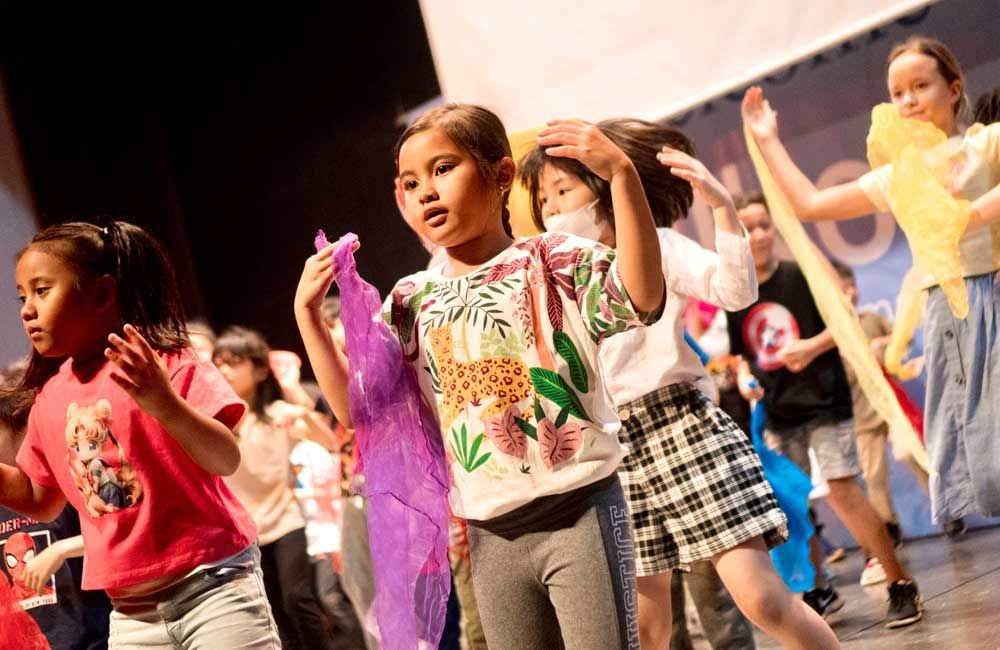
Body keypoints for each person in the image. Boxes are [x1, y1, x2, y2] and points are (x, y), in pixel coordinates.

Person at [297, 103, 666, 649]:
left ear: (500, 175)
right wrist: (308, 317)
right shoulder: (410, 301)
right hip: (490, 535)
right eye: (410, 182)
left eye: (443, 169)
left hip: (581, 509)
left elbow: (641, 296)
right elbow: (358, 408)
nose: (426, 191)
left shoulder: (553, 258)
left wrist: (622, 177)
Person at [519, 118, 836, 649]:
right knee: (645, 629)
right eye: (544, 200)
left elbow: (734, 290)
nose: (552, 209)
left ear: (602, 186)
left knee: (762, 601)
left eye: (563, 190)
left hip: (683, 428)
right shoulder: (556, 276)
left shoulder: (659, 247)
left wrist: (721, 208)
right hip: (615, 455)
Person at [742, 36, 1000, 540]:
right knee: (983, 454)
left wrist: (966, 215)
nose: (907, 100)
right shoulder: (897, 177)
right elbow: (812, 204)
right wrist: (768, 138)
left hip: (993, 290)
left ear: (953, 88)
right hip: (948, 312)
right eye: (897, 92)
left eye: (920, 86)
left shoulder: (985, 144)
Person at [5, 220, 278, 648]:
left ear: (102, 293)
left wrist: (162, 400)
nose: (26, 309)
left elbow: (225, 459)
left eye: (42, 291)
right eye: (23, 296)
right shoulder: (51, 397)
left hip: (213, 588)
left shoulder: (167, 361)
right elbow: (41, 501)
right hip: (132, 614)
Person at [728, 194, 923, 628]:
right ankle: (818, 588)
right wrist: (745, 379)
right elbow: (744, 353)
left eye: (764, 225)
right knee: (792, 503)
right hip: (779, 410)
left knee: (842, 490)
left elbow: (845, 323)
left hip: (823, 402)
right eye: (748, 227)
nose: (758, 235)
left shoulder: (803, 277)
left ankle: (899, 582)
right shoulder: (736, 292)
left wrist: (810, 347)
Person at [213, 326, 339, 650]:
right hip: (244, 532)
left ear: (258, 370)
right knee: (270, 610)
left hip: (285, 522)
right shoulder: (215, 425)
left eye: (233, 362)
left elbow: (329, 441)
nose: (224, 370)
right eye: (219, 363)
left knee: (297, 599)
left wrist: (305, 416)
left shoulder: (275, 415)